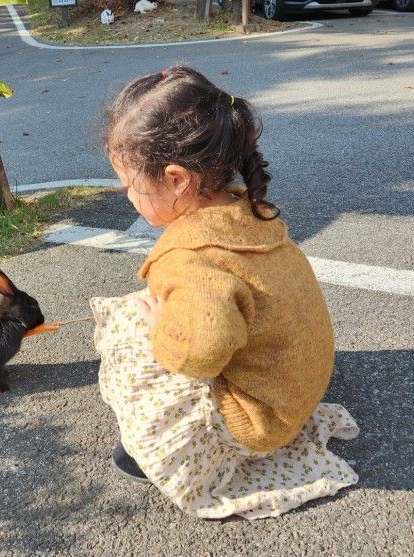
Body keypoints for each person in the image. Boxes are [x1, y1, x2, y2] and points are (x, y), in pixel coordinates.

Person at [91, 66, 359, 520]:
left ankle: (167, 454)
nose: (128, 197)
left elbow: (201, 354)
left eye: (129, 186)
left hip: (257, 421)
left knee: (132, 329)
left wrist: (161, 330)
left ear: (177, 179)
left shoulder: (192, 259)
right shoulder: (247, 209)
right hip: (295, 389)